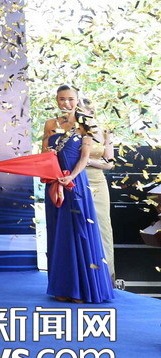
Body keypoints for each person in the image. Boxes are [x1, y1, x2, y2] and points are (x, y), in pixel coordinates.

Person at [40, 85, 114, 303]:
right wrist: (51, 167)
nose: (66, 103)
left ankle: (82, 288)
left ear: (77, 100)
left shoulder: (86, 125)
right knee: (59, 233)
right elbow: (44, 153)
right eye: (62, 99)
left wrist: (71, 176)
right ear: (56, 100)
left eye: (70, 99)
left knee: (79, 231)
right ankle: (62, 287)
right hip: (55, 183)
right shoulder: (50, 124)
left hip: (76, 183)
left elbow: (84, 158)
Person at [79, 96, 117, 286]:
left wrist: (87, 161)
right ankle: (82, 277)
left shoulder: (105, 131)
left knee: (102, 226)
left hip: (97, 182)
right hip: (77, 179)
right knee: (80, 226)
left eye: (82, 109)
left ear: (91, 111)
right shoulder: (73, 130)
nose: (79, 113)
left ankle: (106, 278)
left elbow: (109, 164)